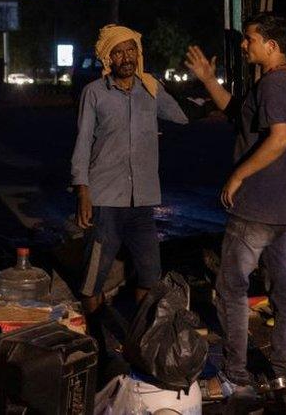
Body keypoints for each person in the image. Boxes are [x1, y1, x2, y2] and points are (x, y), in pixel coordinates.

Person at [185, 13, 286, 396]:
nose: (243, 44)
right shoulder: (283, 82)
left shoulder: (273, 84)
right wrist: (207, 79)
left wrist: (238, 175)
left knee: (232, 288)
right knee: (284, 292)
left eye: (249, 39)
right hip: (283, 209)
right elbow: (239, 114)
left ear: (270, 46)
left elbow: (279, 139)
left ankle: (236, 374)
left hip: (255, 207)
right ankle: (283, 373)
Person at [70, 25, 188, 347]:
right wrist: (83, 190)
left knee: (150, 275)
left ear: (138, 53)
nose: (126, 57)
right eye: (118, 52)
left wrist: (196, 89)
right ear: (109, 58)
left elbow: (182, 116)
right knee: (93, 278)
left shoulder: (150, 89)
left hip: (143, 201)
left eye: (131, 50)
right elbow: (82, 144)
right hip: (105, 199)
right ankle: (97, 339)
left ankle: (141, 339)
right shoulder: (94, 93)